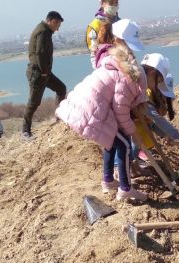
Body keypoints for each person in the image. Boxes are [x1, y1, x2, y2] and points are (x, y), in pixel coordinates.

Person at [56, 19, 148, 202]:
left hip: (82, 107)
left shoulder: (112, 61)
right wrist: (133, 132)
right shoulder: (126, 75)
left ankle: (108, 181)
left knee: (110, 142)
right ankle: (126, 189)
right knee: (124, 145)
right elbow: (121, 110)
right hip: (90, 112)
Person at [22, 11, 67, 141]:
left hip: (44, 71)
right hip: (38, 73)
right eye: (57, 24)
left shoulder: (45, 31)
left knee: (61, 88)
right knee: (34, 102)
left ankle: (59, 116)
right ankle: (25, 131)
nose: (58, 28)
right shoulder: (43, 32)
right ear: (52, 21)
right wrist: (43, 72)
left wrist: (46, 71)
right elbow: (40, 53)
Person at [140, 53, 179, 149]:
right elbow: (156, 118)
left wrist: (165, 134)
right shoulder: (143, 91)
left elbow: (151, 122)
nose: (156, 86)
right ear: (152, 74)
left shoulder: (144, 88)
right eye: (158, 82)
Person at [86, 0, 121, 69]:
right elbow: (93, 51)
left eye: (116, 2)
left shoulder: (120, 22)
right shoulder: (94, 25)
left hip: (121, 61)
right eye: (111, 3)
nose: (114, 5)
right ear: (102, 3)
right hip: (104, 65)